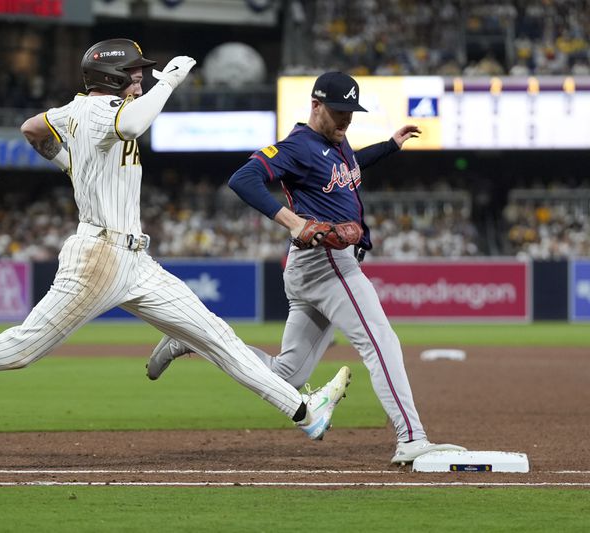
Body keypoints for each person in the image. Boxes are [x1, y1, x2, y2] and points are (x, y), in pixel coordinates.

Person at [0, 39, 351, 443]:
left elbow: (32, 127)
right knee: (21, 349)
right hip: (98, 258)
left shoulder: (78, 111)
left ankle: (306, 412)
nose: (142, 78)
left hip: (134, 259)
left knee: (218, 338)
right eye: (135, 74)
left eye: (144, 74)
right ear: (113, 80)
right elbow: (133, 122)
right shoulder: (102, 110)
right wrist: (170, 83)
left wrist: (67, 161)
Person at [147, 71, 465, 464]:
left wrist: (390, 146)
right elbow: (242, 179)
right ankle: (412, 438)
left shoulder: (338, 140)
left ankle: (194, 339)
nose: (346, 119)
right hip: (327, 262)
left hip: (314, 267)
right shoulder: (298, 146)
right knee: (381, 342)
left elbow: (349, 168)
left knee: (286, 377)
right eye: (338, 111)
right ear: (316, 106)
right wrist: (294, 222)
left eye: (351, 111)